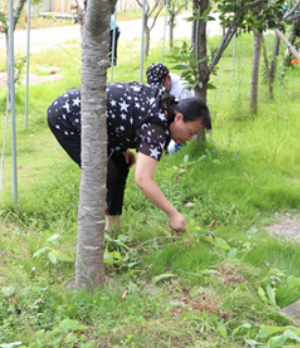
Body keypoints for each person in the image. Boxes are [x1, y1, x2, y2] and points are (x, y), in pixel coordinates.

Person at [47, 82, 212, 234]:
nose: (190, 139)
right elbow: (143, 179)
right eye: (191, 132)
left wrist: (121, 146)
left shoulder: (166, 103)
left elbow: (128, 114)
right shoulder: (157, 124)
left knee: (120, 164)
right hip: (66, 117)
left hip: (91, 116)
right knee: (104, 172)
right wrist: (173, 214)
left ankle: (113, 230)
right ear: (179, 117)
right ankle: (90, 236)